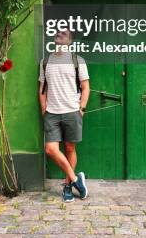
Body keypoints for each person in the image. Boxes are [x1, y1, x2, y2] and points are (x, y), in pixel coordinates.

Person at [38, 29, 90, 202]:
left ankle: (68, 186)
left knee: (70, 149)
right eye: (57, 36)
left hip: (72, 112)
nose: (59, 38)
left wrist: (81, 108)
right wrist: (43, 108)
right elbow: (42, 88)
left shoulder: (78, 61)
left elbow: (85, 87)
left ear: (70, 41)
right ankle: (76, 180)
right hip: (52, 113)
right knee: (50, 149)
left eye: (64, 36)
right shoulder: (45, 61)